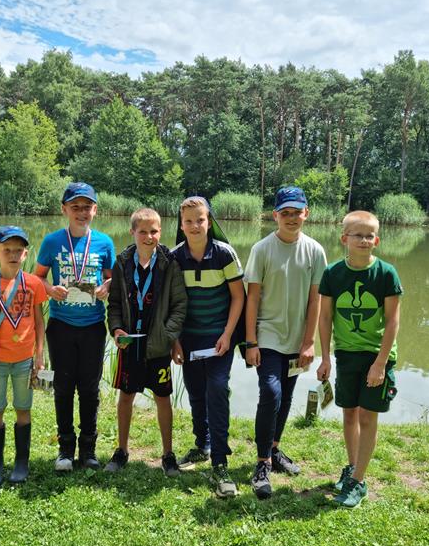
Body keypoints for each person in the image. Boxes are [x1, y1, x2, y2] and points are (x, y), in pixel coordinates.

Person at [316, 210, 403, 508]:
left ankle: (359, 481)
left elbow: (392, 321)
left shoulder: (386, 274)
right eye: (358, 235)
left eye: (370, 236)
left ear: (376, 240)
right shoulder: (332, 273)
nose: (364, 240)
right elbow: (325, 317)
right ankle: (352, 468)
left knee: (367, 416)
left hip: (376, 356)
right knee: (350, 413)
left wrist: (380, 363)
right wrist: (325, 357)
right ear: (344, 239)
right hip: (346, 354)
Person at [245, 187, 327, 500]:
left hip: (297, 339)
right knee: (271, 392)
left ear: (306, 214)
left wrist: (309, 342)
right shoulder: (262, 249)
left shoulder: (315, 251)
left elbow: (315, 300)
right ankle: (262, 463)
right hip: (267, 334)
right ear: (275, 215)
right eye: (286, 213)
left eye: (297, 213)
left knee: (287, 395)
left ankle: (275, 449)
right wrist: (251, 341)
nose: (292, 218)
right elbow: (253, 298)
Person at [35, 182, 115, 471]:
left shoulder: (104, 242)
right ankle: (65, 450)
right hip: (61, 325)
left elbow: (111, 277)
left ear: (95, 210)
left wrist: (107, 286)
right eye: (75, 207)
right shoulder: (52, 241)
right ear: (64, 209)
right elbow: (38, 278)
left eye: (87, 207)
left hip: (93, 326)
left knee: (90, 389)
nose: (81, 212)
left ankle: (89, 450)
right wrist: (50, 289)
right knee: (63, 387)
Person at [105, 208, 187, 477]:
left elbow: (179, 305)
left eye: (154, 231)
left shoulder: (169, 263)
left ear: (161, 232)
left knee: (163, 398)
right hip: (130, 345)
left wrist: (167, 336)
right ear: (132, 232)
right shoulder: (122, 262)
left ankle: (168, 454)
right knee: (125, 397)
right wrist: (116, 329)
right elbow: (114, 304)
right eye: (143, 231)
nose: (149, 236)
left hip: (158, 347)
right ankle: (121, 450)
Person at [172, 197, 244, 498]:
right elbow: (171, 303)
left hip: (219, 338)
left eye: (200, 220)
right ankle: (202, 444)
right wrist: (175, 340)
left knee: (217, 388)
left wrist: (228, 334)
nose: (195, 226)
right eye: (188, 221)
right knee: (195, 391)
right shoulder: (175, 257)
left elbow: (238, 297)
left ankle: (220, 461)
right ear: (181, 225)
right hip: (189, 338)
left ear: (209, 221)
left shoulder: (224, 253)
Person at [0, 226, 47, 487]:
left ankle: (21, 463)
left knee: (23, 408)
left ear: (25, 254)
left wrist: (39, 356)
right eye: (7, 250)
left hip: (25, 361)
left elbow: (39, 322)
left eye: (18, 250)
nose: (13, 255)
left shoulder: (34, 283)